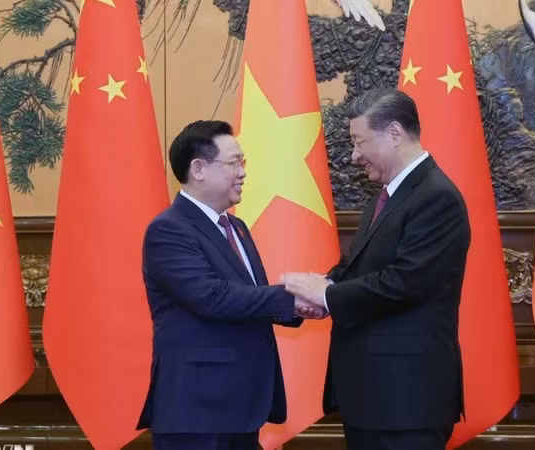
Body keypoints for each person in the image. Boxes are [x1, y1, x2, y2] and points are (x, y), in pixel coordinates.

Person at [285, 88, 471, 450]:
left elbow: (405, 282)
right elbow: (358, 266)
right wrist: (322, 287)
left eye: (359, 142)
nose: (354, 155)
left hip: (406, 400)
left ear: (395, 133)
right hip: (376, 397)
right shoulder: (386, 197)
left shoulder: (436, 197)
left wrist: (327, 295)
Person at [136, 120, 321, 450]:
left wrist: (303, 304)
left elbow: (249, 298)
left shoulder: (237, 227)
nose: (243, 172)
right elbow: (213, 297)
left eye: (242, 162)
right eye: (234, 163)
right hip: (196, 410)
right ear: (199, 169)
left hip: (241, 406)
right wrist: (296, 298)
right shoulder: (169, 229)